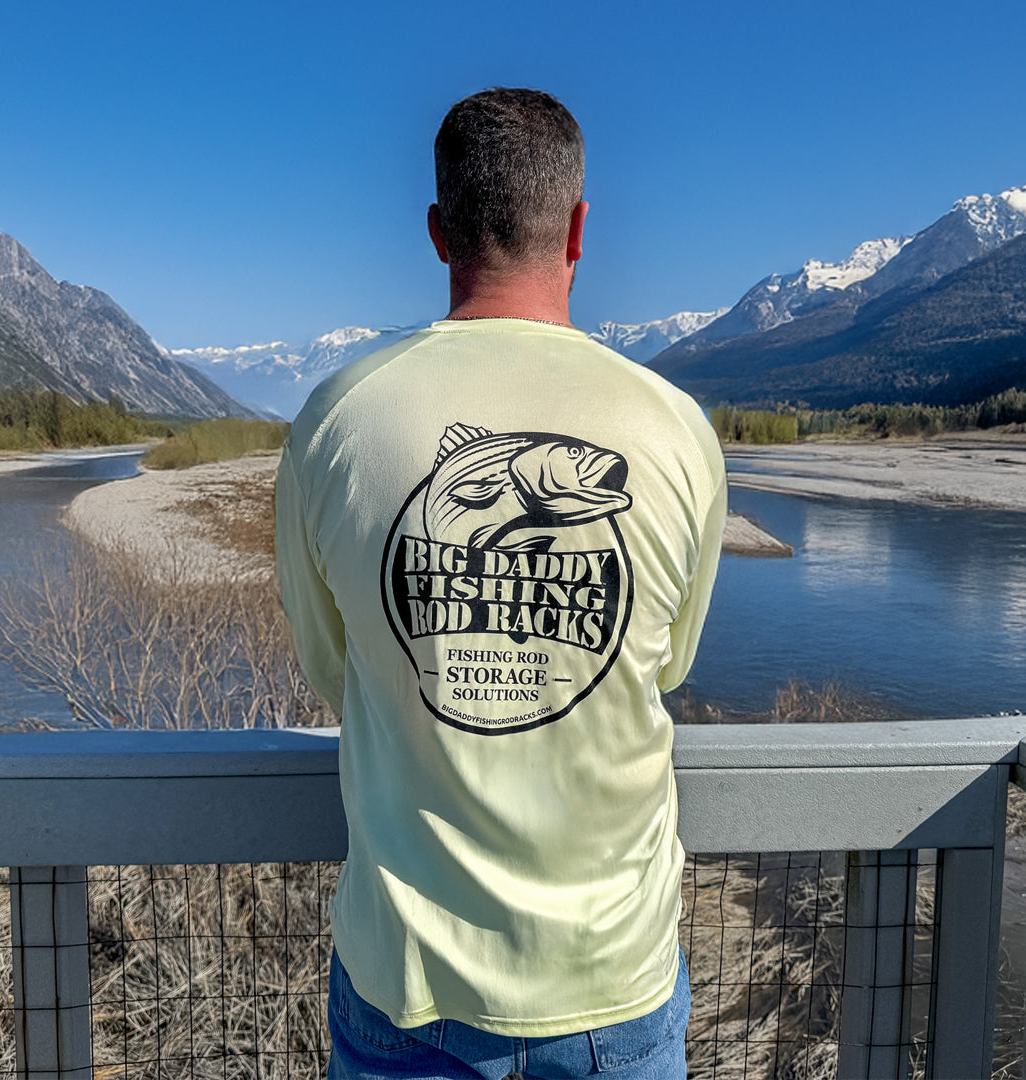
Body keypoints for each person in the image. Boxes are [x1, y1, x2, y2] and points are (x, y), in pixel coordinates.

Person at [275, 87, 726, 1080]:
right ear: (577, 229)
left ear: (438, 233)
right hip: (614, 988)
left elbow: (334, 665)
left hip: (405, 990)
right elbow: (669, 664)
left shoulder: (337, 420)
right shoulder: (676, 427)